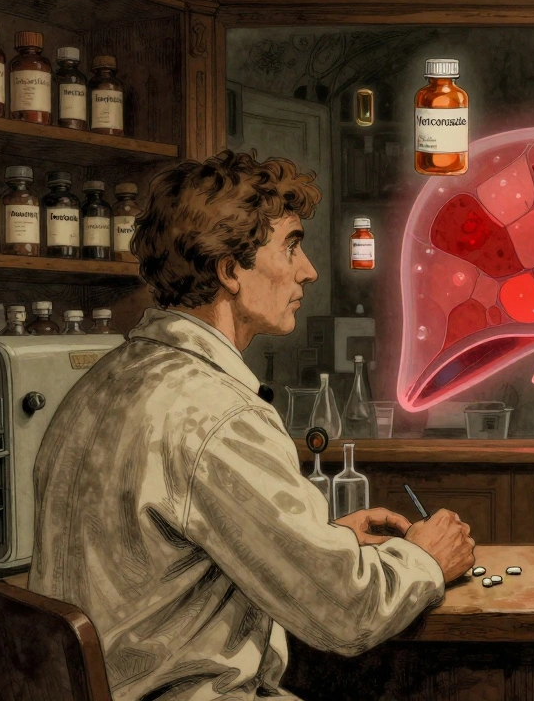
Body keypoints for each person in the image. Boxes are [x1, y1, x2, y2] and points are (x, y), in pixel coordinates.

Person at [30, 150, 476, 701]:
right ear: (229, 270)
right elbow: (348, 612)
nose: (308, 269)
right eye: (290, 245)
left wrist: (322, 543)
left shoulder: (101, 384)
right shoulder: (219, 414)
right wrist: (427, 559)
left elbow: (169, 562)